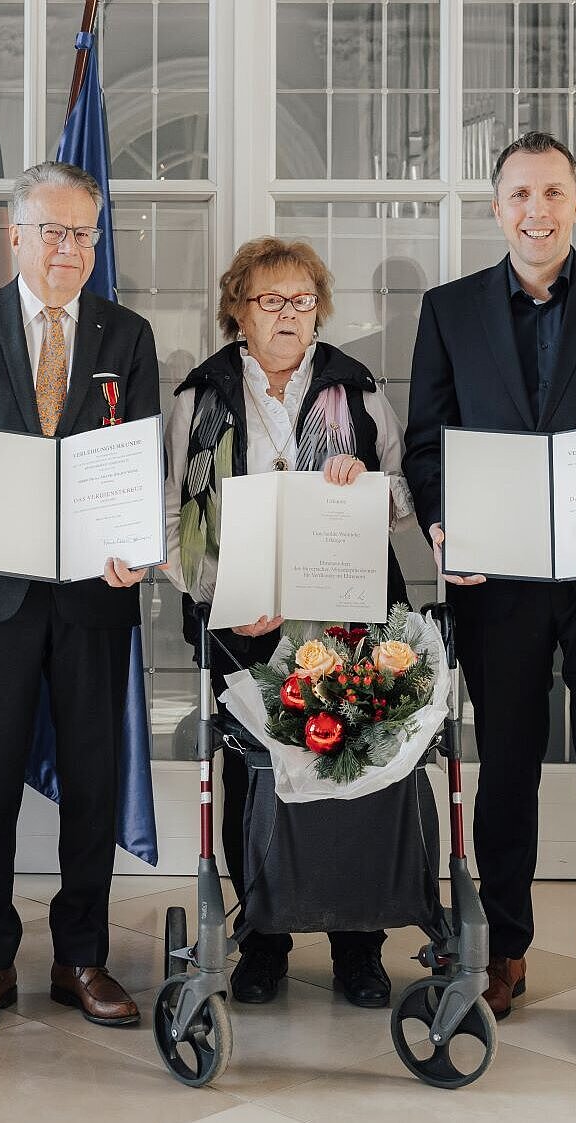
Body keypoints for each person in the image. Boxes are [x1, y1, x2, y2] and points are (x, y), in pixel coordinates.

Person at [404, 131, 576, 1056]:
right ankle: (504, 949)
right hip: (500, 584)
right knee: (508, 772)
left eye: (554, 192)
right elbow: (426, 442)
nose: (538, 210)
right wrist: (442, 526)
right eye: (521, 194)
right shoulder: (450, 310)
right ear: (498, 208)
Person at [0, 161, 160, 1034]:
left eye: (84, 232)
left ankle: (81, 955)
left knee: (92, 777)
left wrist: (138, 544)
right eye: (53, 231)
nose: (69, 248)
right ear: (13, 236)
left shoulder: (128, 334)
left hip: (94, 592)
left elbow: (143, 460)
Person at [163, 236, 413, 1008]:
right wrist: (222, 597)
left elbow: (406, 496)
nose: (288, 315)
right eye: (270, 300)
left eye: (302, 300)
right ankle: (264, 939)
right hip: (243, 627)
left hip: (347, 625)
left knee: (354, 772)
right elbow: (170, 519)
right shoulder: (199, 396)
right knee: (255, 777)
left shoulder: (356, 386)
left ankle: (358, 945)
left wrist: (368, 481)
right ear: (238, 311)